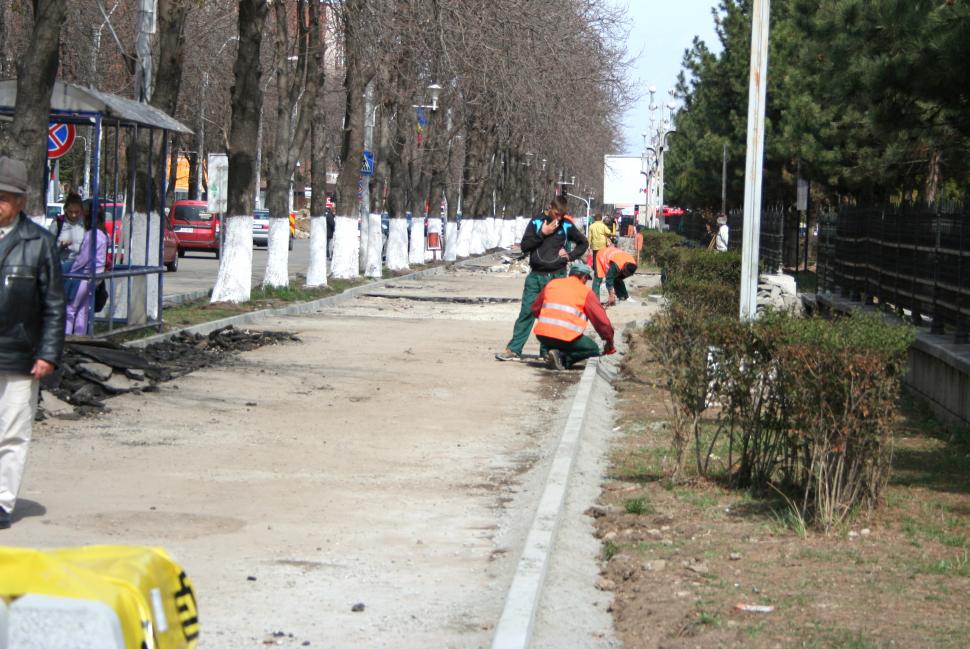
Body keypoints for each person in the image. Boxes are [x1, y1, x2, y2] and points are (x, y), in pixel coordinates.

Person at [0, 156, 65, 529]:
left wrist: (47, 353)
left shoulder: (39, 244)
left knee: (11, 429)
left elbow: (55, 304)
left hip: (21, 353)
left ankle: (2, 503)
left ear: (21, 202)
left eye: (5, 197)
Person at [495, 195, 589, 361]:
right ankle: (514, 349)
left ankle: (547, 352)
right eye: (556, 213)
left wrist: (570, 256)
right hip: (535, 276)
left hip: (557, 277)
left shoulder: (567, 225)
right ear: (550, 207)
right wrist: (543, 233)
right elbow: (524, 246)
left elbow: (584, 243)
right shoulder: (537, 222)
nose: (558, 217)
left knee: (551, 315)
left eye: (562, 214)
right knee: (526, 312)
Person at [531, 262, 615, 370]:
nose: (586, 282)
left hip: (542, 335)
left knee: (553, 338)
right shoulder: (586, 292)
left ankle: (548, 352)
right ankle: (562, 359)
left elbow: (535, 309)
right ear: (584, 277)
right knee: (593, 349)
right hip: (566, 336)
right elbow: (601, 322)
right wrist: (609, 341)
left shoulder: (552, 284)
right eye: (586, 279)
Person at [64, 207, 109, 336]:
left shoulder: (92, 234)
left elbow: (84, 257)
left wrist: (70, 270)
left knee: (71, 308)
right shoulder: (102, 234)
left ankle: (67, 338)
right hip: (95, 275)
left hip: (86, 275)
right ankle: (80, 337)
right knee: (82, 309)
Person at [592, 238, 638, 305]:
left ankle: (623, 296)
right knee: (598, 279)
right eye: (624, 272)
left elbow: (619, 278)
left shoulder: (633, 264)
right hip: (601, 255)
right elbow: (609, 279)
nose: (624, 274)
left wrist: (619, 277)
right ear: (624, 267)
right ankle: (595, 302)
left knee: (618, 279)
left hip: (614, 253)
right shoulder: (616, 265)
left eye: (626, 274)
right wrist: (611, 295)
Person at [49, 192, 85, 264]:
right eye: (70, 211)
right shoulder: (58, 222)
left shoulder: (86, 222)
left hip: (81, 266)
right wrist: (61, 245)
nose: (73, 215)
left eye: (77, 212)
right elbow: (48, 248)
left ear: (81, 210)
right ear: (65, 209)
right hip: (62, 266)